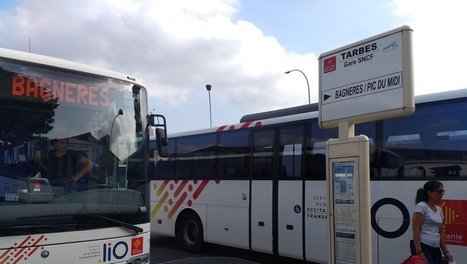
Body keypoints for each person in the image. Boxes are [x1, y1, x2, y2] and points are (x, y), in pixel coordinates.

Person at [412, 180, 454, 264]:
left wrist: (446, 252)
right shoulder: (421, 206)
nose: (442, 193)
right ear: (429, 193)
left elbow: (440, 233)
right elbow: (415, 229)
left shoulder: (439, 209)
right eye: (439, 191)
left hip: (435, 247)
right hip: (424, 246)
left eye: (443, 191)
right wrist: (419, 252)